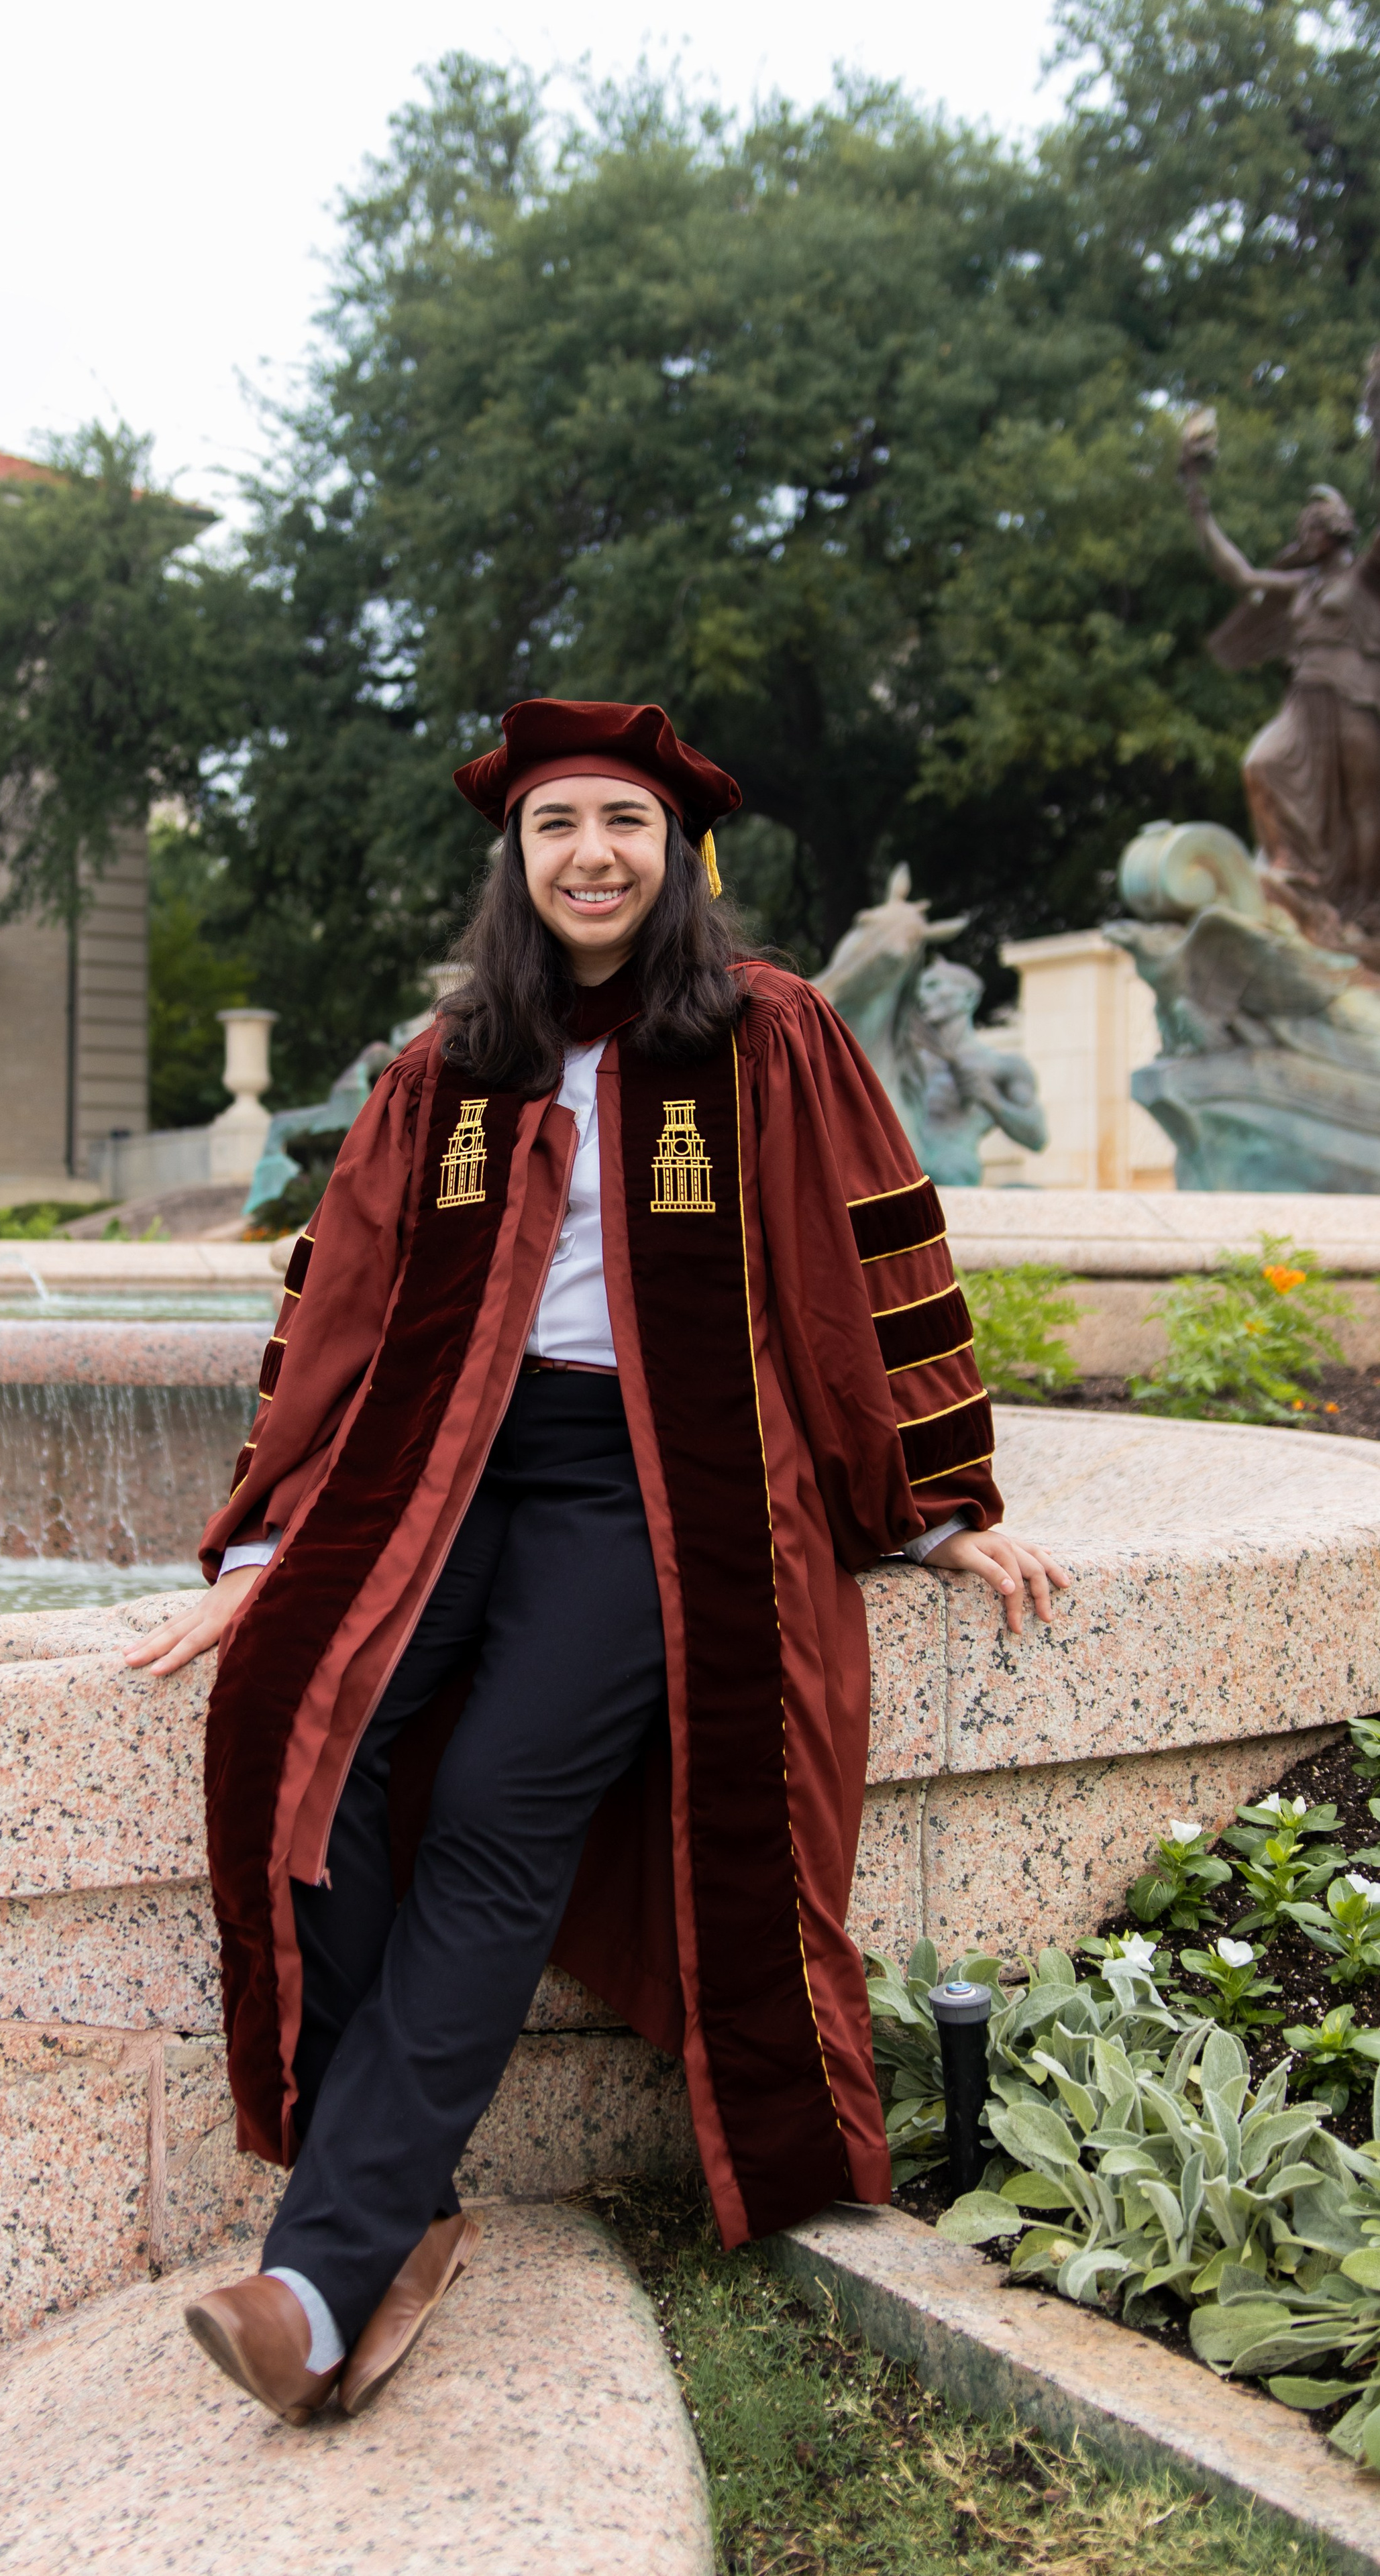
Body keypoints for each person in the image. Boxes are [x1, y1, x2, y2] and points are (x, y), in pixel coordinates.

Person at [126, 698, 1068, 2426]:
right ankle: (392, 2221)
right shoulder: (451, 1060)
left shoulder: (766, 1029)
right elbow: (340, 1291)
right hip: (439, 1461)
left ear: (676, 852)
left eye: (621, 824)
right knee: (298, 1738)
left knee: (494, 1808)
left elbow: (874, 1253)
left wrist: (938, 1492)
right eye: (556, 824)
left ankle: (321, 2278)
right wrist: (270, 1530)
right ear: (516, 855)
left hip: (653, 1483)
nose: (589, 854)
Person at [1181, 403, 1380, 958]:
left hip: (1355, 696)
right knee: (1261, 763)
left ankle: (1368, 911)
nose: (1305, 536)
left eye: (1312, 528)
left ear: (1336, 530)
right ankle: (1299, 880)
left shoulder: (1367, 575)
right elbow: (1240, 574)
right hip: (1305, 698)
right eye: (1303, 530)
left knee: (1366, 806)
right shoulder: (1302, 585)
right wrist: (1196, 495)